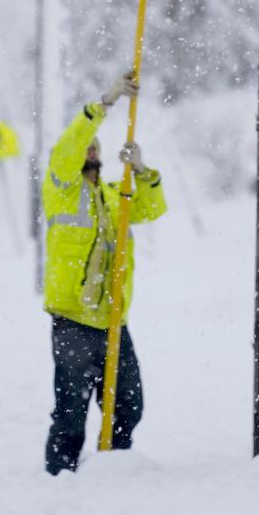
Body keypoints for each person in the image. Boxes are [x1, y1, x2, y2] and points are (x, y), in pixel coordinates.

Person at [43, 69, 167, 475]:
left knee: (128, 404)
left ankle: (113, 470)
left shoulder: (115, 194)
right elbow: (69, 144)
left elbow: (151, 210)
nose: (91, 150)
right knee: (71, 412)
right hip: (74, 321)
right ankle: (60, 478)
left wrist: (144, 171)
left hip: (114, 320)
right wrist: (107, 102)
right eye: (86, 146)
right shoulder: (60, 185)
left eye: (96, 147)